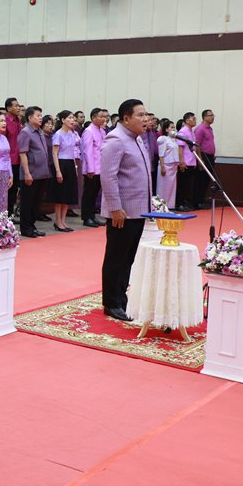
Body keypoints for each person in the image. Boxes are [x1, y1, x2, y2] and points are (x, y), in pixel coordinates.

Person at [99, 99, 152, 322]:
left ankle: (121, 298)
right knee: (116, 257)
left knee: (128, 258)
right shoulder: (116, 139)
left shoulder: (137, 139)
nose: (145, 119)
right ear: (126, 118)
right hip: (122, 211)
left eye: (146, 114)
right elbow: (108, 176)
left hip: (137, 210)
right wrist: (115, 207)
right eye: (140, 115)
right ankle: (111, 303)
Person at [18, 106, 50, 238]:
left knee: (36, 202)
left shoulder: (40, 131)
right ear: (30, 118)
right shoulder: (25, 132)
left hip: (42, 173)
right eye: (38, 116)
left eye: (41, 115)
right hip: (31, 173)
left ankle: (32, 226)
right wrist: (27, 173)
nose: (40, 118)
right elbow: (23, 153)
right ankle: (26, 228)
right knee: (27, 202)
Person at [49, 110, 80, 232]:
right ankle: (58, 221)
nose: (72, 120)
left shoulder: (72, 134)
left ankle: (63, 220)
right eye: (69, 118)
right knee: (60, 195)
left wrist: (75, 167)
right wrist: (58, 171)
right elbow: (54, 153)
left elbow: (73, 153)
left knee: (68, 194)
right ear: (63, 120)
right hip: (61, 164)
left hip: (70, 164)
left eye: (73, 118)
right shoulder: (58, 134)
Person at [80, 108, 107, 228]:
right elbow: (88, 151)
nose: (103, 119)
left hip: (101, 167)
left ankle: (92, 216)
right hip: (92, 168)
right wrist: (90, 169)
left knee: (95, 193)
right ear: (93, 118)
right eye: (101, 116)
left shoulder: (101, 130)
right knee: (89, 193)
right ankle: (86, 217)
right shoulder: (89, 131)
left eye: (104, 117)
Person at [175, 112, 198, 211]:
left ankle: (184, 203)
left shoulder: (191, 131)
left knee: (188, 185)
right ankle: (179, 204)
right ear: (187, 120)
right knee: (182, 184)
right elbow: (180, 148)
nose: (195, 120)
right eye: (193, 119)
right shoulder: (183, 132)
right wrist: (181, 162)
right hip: (185, 162)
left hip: (191, 161)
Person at [193, 109, 216, 207]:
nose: (212, 117)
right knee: (200, 180)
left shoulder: (210, 129)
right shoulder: (200, 129)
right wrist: (200, 159)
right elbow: (197, 145)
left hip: (210, 157)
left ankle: (201, 201)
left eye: (213, 115)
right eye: (210, 115)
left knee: (206, 180)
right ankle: (197, 202)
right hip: (203, 157)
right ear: (204, 117)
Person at [4, 97, 22, 215]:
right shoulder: (5, 121)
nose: (18, 108)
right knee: (8, 189)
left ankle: (10, 214)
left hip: (19, 160)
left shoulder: (18, 121)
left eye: (18, 105)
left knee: (14, 189)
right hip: (8, 160)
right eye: (15, 106)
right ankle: (6, 214)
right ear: (9, 108)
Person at [156, 119, 179, 206]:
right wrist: (162, 167)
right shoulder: (163, 139)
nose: (174, 129)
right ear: (166, 129)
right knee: (163, 187)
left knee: (171, 187)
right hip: (166, 165)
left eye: (174, 127)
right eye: (171, 127)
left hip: (173, 166)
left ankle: (170, 205)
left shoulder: (173, 140)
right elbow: (161, 154)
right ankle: (161, 205)